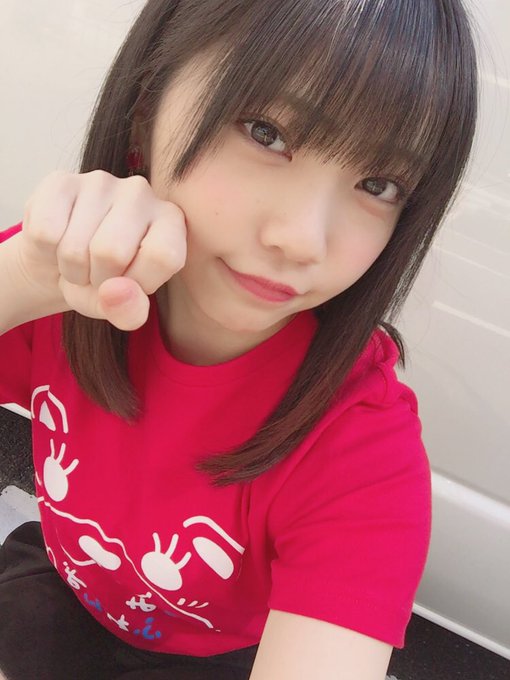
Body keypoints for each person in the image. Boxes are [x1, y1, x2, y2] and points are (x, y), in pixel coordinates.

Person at [0, 0, 478, 678]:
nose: (302, 240)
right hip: (64, 590)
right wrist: (23, 278)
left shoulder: (361, 449)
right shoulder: (69, 288)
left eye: (379, 184)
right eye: (266, 132)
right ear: (145, 109)